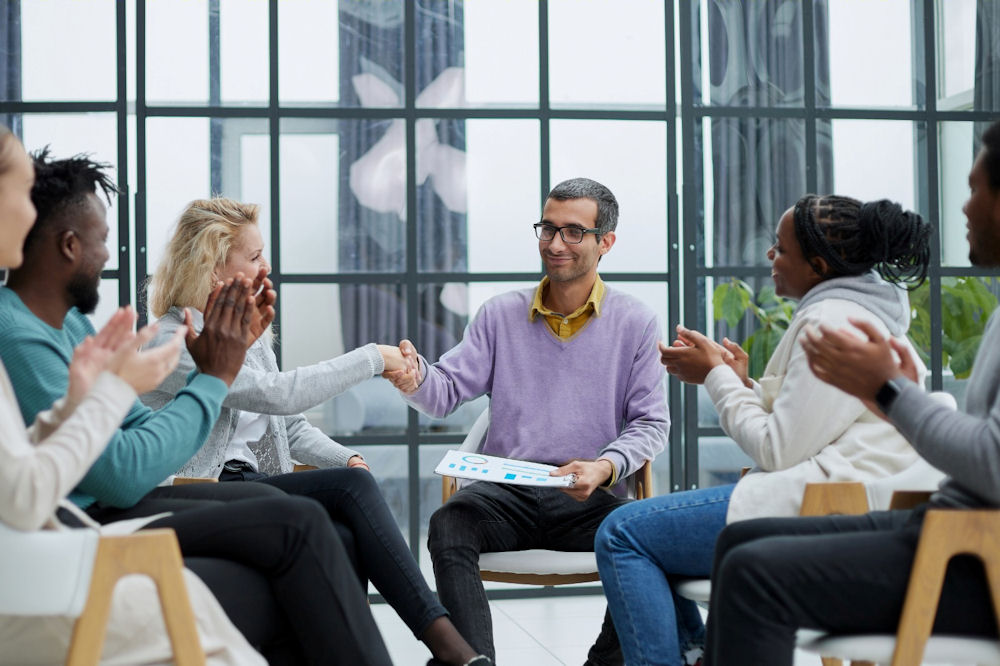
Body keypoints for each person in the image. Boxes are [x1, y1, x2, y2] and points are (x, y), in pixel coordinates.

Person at [0, 128, 392, 665]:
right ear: (69, 245)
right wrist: (209, 377)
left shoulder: (64, 324)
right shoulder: (25, 332)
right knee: (297, 537)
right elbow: (113, 473)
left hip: (103, 509)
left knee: (298, 516)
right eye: (20, 195)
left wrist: (114, 394)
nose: (111, 252)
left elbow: (103, 433)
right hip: (85, 532)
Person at [701, 119, 1000, 666]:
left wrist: (889, 392)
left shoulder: (833, 319)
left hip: (973, 552)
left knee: (750, 573)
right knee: (737, 545)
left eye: (975, 189)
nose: (964, 208)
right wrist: (899, 394)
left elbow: (993, 459)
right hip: (947, 521)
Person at [141, 197, 489, 666]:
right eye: (255, 256)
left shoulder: (248, 335)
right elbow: (276, 394)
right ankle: (446, 644)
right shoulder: (176, 337)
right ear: (212, 266)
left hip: (252, 485)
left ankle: (396, 649)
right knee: (350, 491)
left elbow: (290, 427)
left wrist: (341, 457)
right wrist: (372, 358)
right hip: (201, 489)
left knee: (349, 511)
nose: (266, 265)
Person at [595, 192, 933, 666]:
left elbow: (776, 449)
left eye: (781, 248)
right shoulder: (855, 313)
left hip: (826, 503)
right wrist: (740, 383)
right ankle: (696, 656)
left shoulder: (834, 323)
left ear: (817, 264)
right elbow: (811, 425)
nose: (770, 256)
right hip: (838, 494)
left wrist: (717, 376)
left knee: (622, 532)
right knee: (651, 532)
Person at [387, 177, 670, 664]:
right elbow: (447, 389)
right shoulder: (499, 315)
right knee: (449, 523)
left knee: (652, 539)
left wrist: (604, 467)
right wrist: (413, 378)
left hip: (588, 496)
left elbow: (650, 424)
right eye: (548, 228)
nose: (556, 244)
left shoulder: (636, 322)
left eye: (573, 232)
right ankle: (473, 660)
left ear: (606, 242)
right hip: (506, 496)